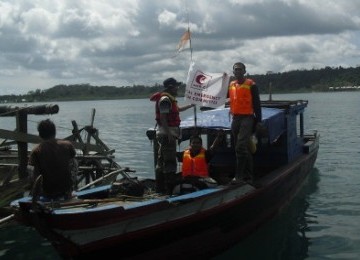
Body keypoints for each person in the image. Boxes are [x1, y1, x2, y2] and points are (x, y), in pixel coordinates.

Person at [150, 77, 194, 194]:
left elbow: (178, 110)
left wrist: (190, 105)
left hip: (166, 134)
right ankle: (168, 190)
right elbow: (163, 118)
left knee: (162, 162)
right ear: (170, 87)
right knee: (169, 162)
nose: (177, 88)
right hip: (167, 134)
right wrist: (169, 134)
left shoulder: (170, 99)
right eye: (176, 86)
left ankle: (160, 189)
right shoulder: (165, 100)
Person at [228, 62, 262, 184]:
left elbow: (257, 104)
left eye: (239, 69)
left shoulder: (251, 85)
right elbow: (222, 96)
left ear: (244, 71)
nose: (237, 72)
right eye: (235, 70)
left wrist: (259, 121)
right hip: (235, 118)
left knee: (240, 146)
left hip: (247, 118)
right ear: (233, 72)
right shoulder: (231, 84)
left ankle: (239, 176)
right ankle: (248, 176)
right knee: (242, 148)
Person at [28, 119, 76, 200]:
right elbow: (73, 163)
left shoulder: (36, 150)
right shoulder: (67, 145)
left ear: (40, 134)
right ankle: (70, 192)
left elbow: (34, 175)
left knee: (31, 168)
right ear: (54, 132)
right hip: (65, 190)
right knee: (74, 161)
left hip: (47, 192)